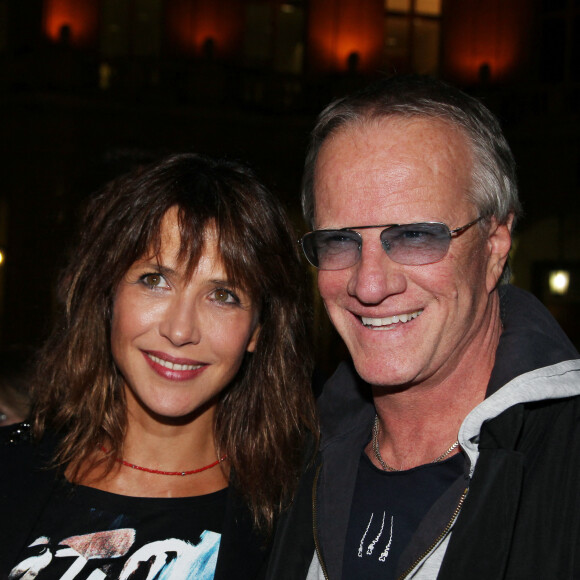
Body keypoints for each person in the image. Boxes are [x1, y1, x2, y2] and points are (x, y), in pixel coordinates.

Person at [285, 75, 580, 579]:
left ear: (495, 245)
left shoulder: (565, 464)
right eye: (339, 240)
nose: (370, 284)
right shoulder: (291, 457)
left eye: (415, 235)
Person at [0, 153, 317, 578]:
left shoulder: (298, 517)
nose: (180, 330)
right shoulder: (11, 469)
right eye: (155, 280)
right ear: (108, 295)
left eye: (223, 294)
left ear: (258, 329)